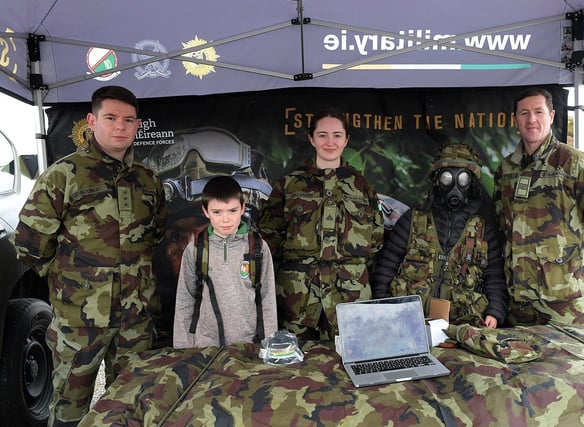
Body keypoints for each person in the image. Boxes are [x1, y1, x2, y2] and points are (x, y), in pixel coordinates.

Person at [12, 85, 167, 426]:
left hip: (135, 317)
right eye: (110, 118)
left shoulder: (149, 180)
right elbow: (29, 244)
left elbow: (153, 236)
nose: (120, 127)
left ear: (137, 126)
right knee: (68, 406)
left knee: (132, 404)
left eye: (128, 120)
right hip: (78, 320)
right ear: (91, 121)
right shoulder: (64, 175)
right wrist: (74, 279)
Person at [493, 87, 584, 331]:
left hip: (563, 302)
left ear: (551, 116)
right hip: (519, 303)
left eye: (538, 112)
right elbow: (502, 224)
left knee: (571, 366)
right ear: (515, 120)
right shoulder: (506, 169)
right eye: (524, 113)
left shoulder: (574, 162)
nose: (531, 120)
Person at [259, 107, 385, 340]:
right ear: (311, 139)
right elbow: (269, 235)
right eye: (322, 135)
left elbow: (376, 239)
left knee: (350, 357)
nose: (330, 142)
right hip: (298, 294)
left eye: (337, 135)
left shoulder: (362, 186)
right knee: (295, 362)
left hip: (349, 293)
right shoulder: (290, 184)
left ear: (346, 140)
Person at [371, 143, 508, 328]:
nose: (454, 186)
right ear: (437, 181)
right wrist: (383, 306)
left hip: (461, 328)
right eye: (447, 178)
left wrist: (494, 311)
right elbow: (387, 265)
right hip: (408, 323)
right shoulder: (413, 220)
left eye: (463, 179)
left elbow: (494, 277)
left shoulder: (483, 231)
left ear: (472, 183)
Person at [173, 175, 277, 348]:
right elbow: (185, 300)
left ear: (243, 208)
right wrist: (183, 350)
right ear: (206, 211)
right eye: (217, 212)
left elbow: (267, 299)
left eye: (232, 211)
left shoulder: (257, 247)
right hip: (205, 345)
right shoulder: (195, 249)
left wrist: (269, 345)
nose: (226, 219)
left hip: (249, 345)